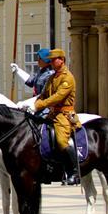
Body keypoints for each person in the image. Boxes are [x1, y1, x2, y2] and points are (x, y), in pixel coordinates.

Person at [32, 48, 81, 185]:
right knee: (37, 133)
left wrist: (39, 105)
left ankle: (75, 171)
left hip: (64, 114)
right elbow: (44, 94)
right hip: (52, 113)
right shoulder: (53, 77)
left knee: (61, 141)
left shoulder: (67, 77)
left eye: (54, 60)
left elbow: (57, 97)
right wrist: (34, 104)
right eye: (51, 60)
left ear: (62, 60)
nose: (52, 63)